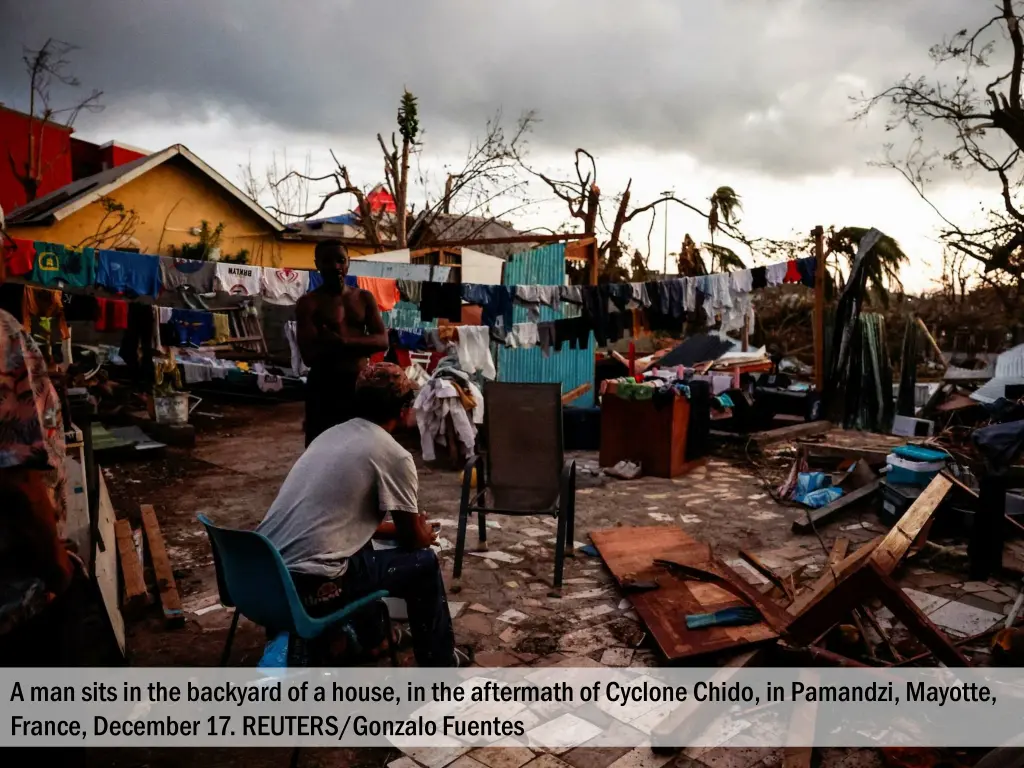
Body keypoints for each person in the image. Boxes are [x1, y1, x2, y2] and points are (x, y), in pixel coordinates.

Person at [256, 362, 466, 666]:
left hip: (263, 575)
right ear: (405, 409)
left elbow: (338, 521)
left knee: (362, 549)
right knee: (424, 564)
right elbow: (413, 539)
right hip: (309, 587)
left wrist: (396, 529)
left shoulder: (330, 436)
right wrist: (424, 532)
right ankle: (439, 662)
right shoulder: (394, 455)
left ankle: (376, 639)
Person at [296, 240, 389, 446]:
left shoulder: (364, 298)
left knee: (361, 447)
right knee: (321, 449)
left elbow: (382, 341)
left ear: (348, 263)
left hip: (360, 386)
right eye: (327, 261)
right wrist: (362, 344)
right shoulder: (309, 303)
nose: (335, 266)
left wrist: (342, 342)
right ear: (317, 264)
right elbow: (309, 356)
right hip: (324, 388)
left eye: (340, 260)